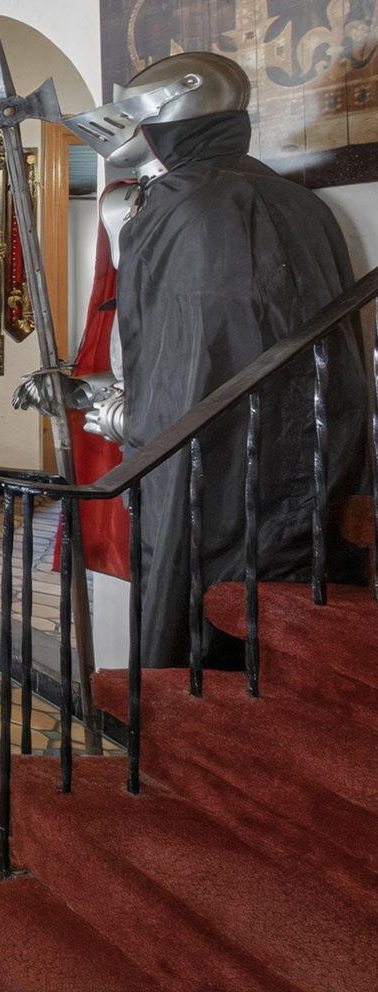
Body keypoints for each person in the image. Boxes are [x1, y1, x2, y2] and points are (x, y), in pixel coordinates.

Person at [76, 52, 368, 668]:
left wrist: (126, 419)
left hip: (212, 459)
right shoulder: (301, 202)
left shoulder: (187, 207)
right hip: (306, 444)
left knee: (201, 605)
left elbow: (189, 363)